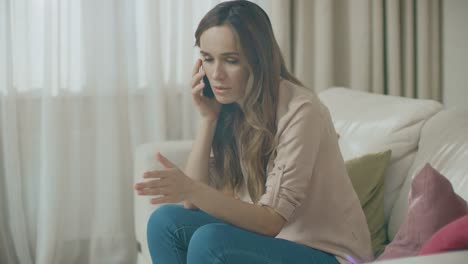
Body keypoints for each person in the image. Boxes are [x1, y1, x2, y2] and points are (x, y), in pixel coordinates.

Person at [134, 1, 373, 263]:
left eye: (231, 60)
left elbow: (271, 221)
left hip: (330, 255)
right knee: (165, 222)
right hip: (274, 243)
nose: (216, 74)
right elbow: (192, 205)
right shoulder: (229, 107)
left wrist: (191, 189)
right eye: (207, 58)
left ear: (258, 59)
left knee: (211, 241)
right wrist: (208, 119)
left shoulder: (301, 111)